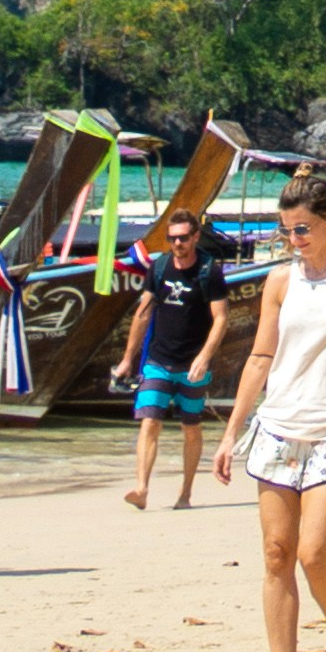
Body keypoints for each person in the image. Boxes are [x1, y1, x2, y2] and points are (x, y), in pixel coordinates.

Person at [213, 164, 326, 652]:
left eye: (302, 229)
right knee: (276, 553)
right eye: (286, 231)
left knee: (313, 554)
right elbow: (261, 356)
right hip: (278, 426)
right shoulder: (281, 280)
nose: (294, 240)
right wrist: (231, 433)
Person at [116, 197, 234, 511]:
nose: (177, 243)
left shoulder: (209, 271)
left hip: (193, 362)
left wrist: (204, 357)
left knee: (190, 425)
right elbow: (143, 314)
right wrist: (129, 358)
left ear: (195, 236)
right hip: (158, 360)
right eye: (172, 238)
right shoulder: (160, 266)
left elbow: (221, 318)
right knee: (150, 421)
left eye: (183, 237)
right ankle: (141, 489)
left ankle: (185, 493)